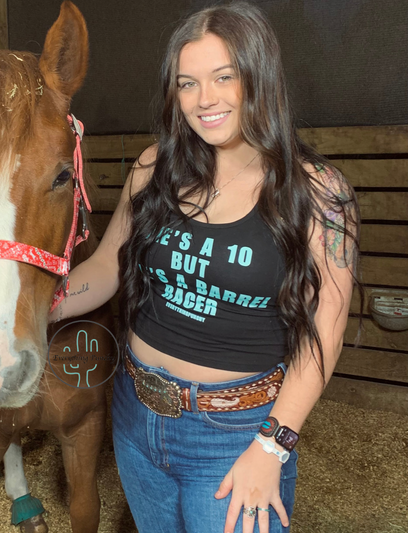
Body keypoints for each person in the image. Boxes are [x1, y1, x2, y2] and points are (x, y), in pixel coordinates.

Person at [49, 2, 360, 532]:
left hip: (237, 432)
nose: (204, 99)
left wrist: (274, 444)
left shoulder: (318, 194)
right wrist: (31, 307)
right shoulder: (154, 168)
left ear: (259, 78)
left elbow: (325, 328)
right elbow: (106, 267)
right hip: (135, 415)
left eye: (224, 77)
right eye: (187, 83)